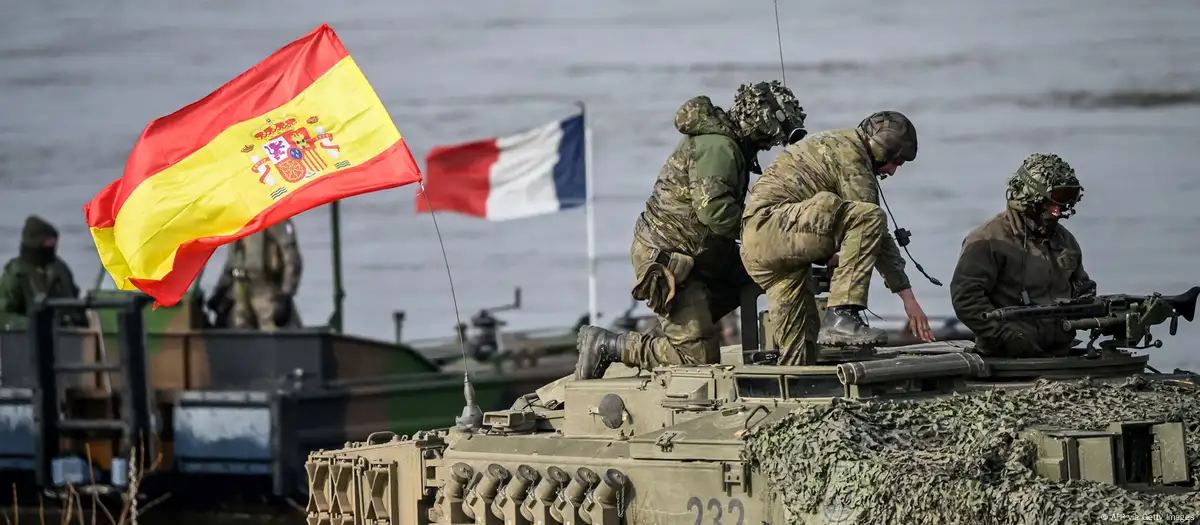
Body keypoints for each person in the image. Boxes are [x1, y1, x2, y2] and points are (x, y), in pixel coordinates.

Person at [575, 80, 809, 379]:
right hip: (673, 262)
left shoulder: (729, 145)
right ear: (761, 121)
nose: (774, 143)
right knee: (696, 361)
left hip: (702, 255)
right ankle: (610, 345)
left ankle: (684, 332)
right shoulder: (720, 147)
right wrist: (767, 233)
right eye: (775, 134)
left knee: (770, 266)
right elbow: (715, 212)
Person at [739, 111, 936, 365]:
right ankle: (842, 314)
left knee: (800, 349)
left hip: (762, 247)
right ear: (880, 151)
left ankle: (797, 383)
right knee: (870, 216)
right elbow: (873, 230)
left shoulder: (836, 143)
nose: (893, 171)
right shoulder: (852, 155)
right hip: (775, 226)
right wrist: (907, 297)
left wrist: (832, 257)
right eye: (895, 162)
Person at [950, 153, 1095, 357]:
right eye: (1051, 202)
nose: (1057, 212)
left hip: (1060, 353)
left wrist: (1100, 314)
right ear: (1031, 198)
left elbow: (1083, 289)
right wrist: (1006, 336)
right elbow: (966, 299)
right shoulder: (987, 240)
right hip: (1006, 358)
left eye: (1065, 202)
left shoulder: (1064, 240)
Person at [207, 218, 303, 330]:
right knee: (237, 331)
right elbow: (231, 262)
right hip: (240, 291)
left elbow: (292, 260)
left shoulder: (275, 218)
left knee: (275, 331)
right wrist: (220, 291)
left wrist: (287, 294)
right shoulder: (238, 219)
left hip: (266, 290)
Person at [0, 215, 86, 328]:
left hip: (67, 332)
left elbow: (75, 298)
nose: (53, 246)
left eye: (54, 242)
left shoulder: (60, 267)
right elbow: (5, 314)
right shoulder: (16, 273)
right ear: (36, 244)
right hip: (30, 335)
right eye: (49, 243)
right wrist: (33, 325)